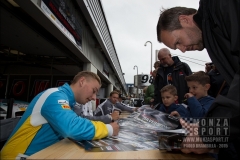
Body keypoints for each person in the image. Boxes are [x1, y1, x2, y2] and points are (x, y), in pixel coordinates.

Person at [156, 1, 239, 159]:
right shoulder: (214, 36)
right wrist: (208, 126)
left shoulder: (222, 7)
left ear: (185, 20)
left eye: (178, 42)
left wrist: (210, 132)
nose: (183, 50)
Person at [0, 71, 119, 159]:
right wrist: (108, 129)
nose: (94, 98)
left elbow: (80, 121)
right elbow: (71, 127)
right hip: (17, 156)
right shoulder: (55, 95)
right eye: (94, 91)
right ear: (82, 82)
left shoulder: (69, 102)